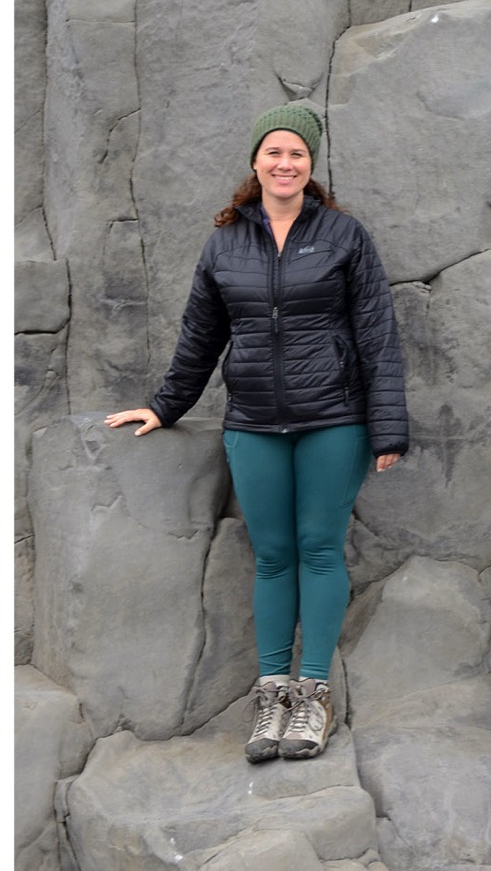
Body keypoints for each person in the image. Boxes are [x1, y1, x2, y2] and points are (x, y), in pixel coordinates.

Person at [106, 104, 408, 764]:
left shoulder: (343, 236)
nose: (285, 163)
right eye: (274, 151)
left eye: (297, 153)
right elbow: (200, 337)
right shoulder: (225, 243)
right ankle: (272, 692)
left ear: (311, 165)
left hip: (334, 419)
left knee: (319, 549)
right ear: (256, 161)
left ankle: (315, 693)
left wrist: (388, 425)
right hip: (254, 423)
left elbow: (378, 335)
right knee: (272, 554)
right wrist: (164, 406)